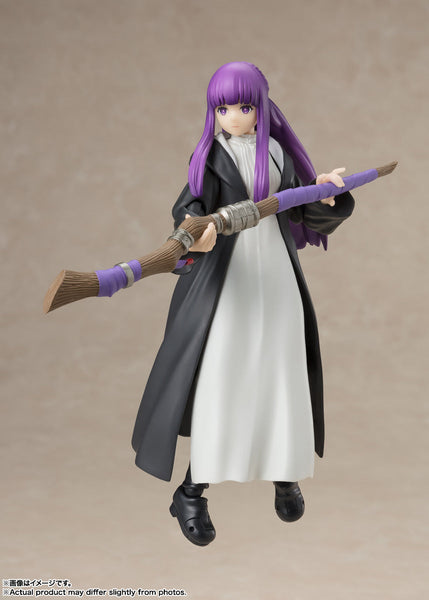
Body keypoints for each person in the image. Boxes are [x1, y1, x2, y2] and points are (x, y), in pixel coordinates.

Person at [131, 61, 355, 546]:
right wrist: (195, 231)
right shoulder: (211, 157)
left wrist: (326, 196)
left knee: (281, 371)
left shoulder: (276, 152)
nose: (233, 116)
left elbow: (300, 208)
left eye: (244, 106)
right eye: (223, 108)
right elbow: (188, 207)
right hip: (228, 281)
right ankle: (191, 491)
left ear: (261, 108)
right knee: (224, 379)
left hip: (275, 276)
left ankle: (285, 471)